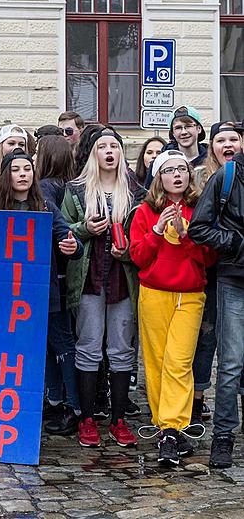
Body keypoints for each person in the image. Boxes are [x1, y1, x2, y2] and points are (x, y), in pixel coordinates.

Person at [0, 149, 82, 437]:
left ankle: (70, 408)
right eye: (16, 169)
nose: (23, 174)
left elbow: (71, 244)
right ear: (6, 175)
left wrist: (72, 247)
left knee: (60, 348)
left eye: (28, 169)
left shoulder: (46, 208)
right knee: (10, 354)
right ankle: (11, 414)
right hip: (6, 299)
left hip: (44, 296)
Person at [130, 150, 215, 465]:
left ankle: (171, 429)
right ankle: (167, 429)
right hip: (154, 294)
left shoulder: (200, 209)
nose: (177, 175)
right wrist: (155, 232)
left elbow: (209, 258)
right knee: (155, 363)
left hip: (190, 295)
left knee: (178, 363)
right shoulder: (145, 212)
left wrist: (184, 234)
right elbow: (138, 257)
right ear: (158, 178)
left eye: (182, 169)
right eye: (169, 170)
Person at [62, 126, 145, 449]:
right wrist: (84, 228)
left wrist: (128, 252)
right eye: (102, 147)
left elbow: (144, 234)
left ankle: (119, 419)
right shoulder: (77, 189)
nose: (109, 151)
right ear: (93, 154)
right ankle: (86, 418)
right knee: (89, 347)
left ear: (121, 153)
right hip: (88, 279)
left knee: (122, 350)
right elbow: (63, 229)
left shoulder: (136, 190)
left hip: (122, 280)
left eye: (114, 146)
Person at [189, 144, 244, 469]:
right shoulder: (228, 176)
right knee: (231, 364)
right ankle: (223, 437)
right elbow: (199, 227)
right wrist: (235, 243)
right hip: (235, 279)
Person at [35, 135, 83, 435]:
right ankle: (60, 400)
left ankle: (70, 404)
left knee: (59, 343)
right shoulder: (71, 185)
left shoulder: (44, 188)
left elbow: (58, 231)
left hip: (50, 276)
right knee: (59, 342)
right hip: (69, 275)